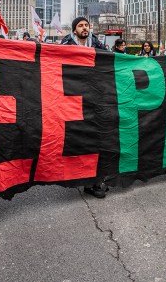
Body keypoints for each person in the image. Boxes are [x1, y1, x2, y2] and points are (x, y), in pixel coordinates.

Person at [60, 17, 110, 197]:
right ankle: (78, 177)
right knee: (78, 140)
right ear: (74, 30)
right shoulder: (64, 45)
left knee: (96, 139)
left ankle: (94, 182)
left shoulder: (98, 44)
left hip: (95, 98)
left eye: (86, 25)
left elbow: (109, 64)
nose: (84, 28)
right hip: (72, 99)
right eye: (80, 26)